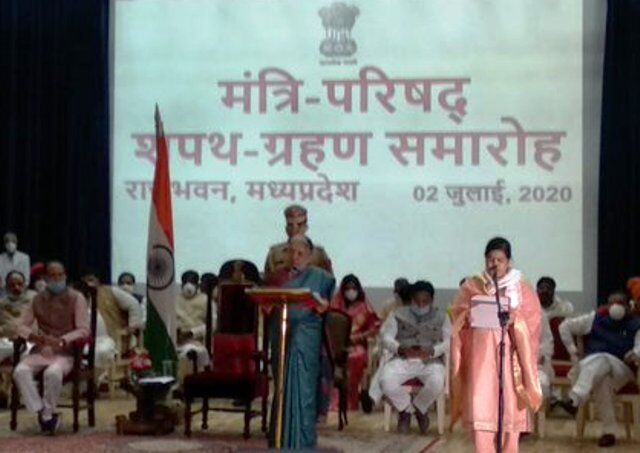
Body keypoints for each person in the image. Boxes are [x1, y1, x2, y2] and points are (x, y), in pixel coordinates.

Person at [450, 237, 542, 453]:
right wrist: (467, 315)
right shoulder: (473, 285)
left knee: (509, 408)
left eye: (500, 260)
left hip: (510, 358)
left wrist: (515, 320)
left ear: (508, 261)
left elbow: (533, 320)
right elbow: (457, 314)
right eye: (490, 259)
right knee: (481, 408)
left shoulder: (521, 287)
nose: (495, 264)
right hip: (481, 359)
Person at [266, 234, 335, 449]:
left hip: (305, 337)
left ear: (310, 254)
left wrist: (322, 305)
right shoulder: (278, 278)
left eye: (300, 253)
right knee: (282, 389)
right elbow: (266, 304)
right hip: (282, 335)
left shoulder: (321, 278)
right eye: (291, 252)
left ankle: (301, 443)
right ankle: (279, 440)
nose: (295, 257)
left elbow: (325, 305)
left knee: (303, 391)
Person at [13, 261, 90, 435]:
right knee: (20, 371)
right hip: (42, 349)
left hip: (66, 351)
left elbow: (84, 330)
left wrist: (63, 340)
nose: (57, 279)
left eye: (60, 275)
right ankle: (42, 412)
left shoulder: (76, 298)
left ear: (65, 276)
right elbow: (20, 326)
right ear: (46, 278)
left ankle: (47, 414)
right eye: (52, 276)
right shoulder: (37, 299)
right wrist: (33, 337)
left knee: (53, 373)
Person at [557, 291, 640, 447]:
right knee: (603, 382)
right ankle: (609, 432)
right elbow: (565, 326)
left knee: (602, 358)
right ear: (607, 305)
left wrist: (635, 353)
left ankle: (575, 399)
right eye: (612, 302)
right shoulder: (595, 318)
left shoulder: (635, 324)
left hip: (622, 368)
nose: (615, 306)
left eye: (620, 303)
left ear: (627, 306)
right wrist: (572, 350)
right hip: (595, 368)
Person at [374, 280, 450, 434]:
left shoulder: (442, 317)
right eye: (417, 301)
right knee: (385, 381)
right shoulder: (397, 314)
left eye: (425, 301)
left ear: (432, 300)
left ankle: (420, 408)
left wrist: (433, 351)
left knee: (437, 382)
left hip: (429, 360)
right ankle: (405, 411)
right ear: (411, 300)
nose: (421, 305)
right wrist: (399, 348)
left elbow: (449, 341)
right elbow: (386, 336)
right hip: (402, 358)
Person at [329, 274, 381, 411]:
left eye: (353, 288)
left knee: (355, 357)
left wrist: (359, 337)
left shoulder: (365, 307)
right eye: (347, 288)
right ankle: (333, 401)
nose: (350, 291)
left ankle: (350, 400)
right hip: (335, 345)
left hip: (356, 344)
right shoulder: (334, 305)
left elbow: (375, 327)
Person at [82, 272, 144, 357]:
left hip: (112, 338)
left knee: (102, 351)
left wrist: (132, 326)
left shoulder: (111, 291)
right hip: (91, 338)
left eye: (91, 280)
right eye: (86, 281)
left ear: (97, 281)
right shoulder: (82, 295)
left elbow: (133, 305)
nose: (89, 283)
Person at [264, 204, 333, 281]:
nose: (295, 229)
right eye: (290, 225)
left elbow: (329, 281)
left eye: (299, 225)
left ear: (306, 227)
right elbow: (267, 281)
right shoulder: (275, 253)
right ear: (286, 228)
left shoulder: (319, 254)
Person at [0, 271, 36, 406]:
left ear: (25, 284)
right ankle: (2, 391)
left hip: (29, 342)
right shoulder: (1, 303)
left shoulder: (35, 300)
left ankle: (16, 395)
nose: (16, 288)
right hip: (6, 341)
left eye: (19, 284)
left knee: (24, 358)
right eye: (12, 285)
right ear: (6, 287)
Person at [175, 270, 217, 372]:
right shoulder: (173, 299)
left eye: (192, 282)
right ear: (181, 284)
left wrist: (191, 333)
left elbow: (213, 325)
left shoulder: (206, 301)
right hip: (175, 341)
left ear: (198, 285)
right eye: (185, 282)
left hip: (197, 343)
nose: (188, 286)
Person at [0, 232, 31, 298]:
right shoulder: (0, 258)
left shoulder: (24, 257)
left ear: (16, 243)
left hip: (20, 292)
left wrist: (19, 288)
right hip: (4, 293)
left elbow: (27, 278)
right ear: (4, 244)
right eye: (7, 242)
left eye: (13, 241)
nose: (10, 244)